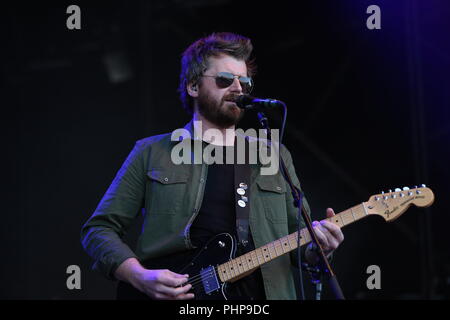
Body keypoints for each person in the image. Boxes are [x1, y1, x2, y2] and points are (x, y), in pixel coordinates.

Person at [80, 32, 344, 300]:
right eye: (225, 80)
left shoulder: (273, 154)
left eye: (245, 82)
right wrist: (140, 276)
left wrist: (319, 247)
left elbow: (300, 243)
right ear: (193, 86)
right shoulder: (151, 152)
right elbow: (99, 230)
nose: (238, 89)